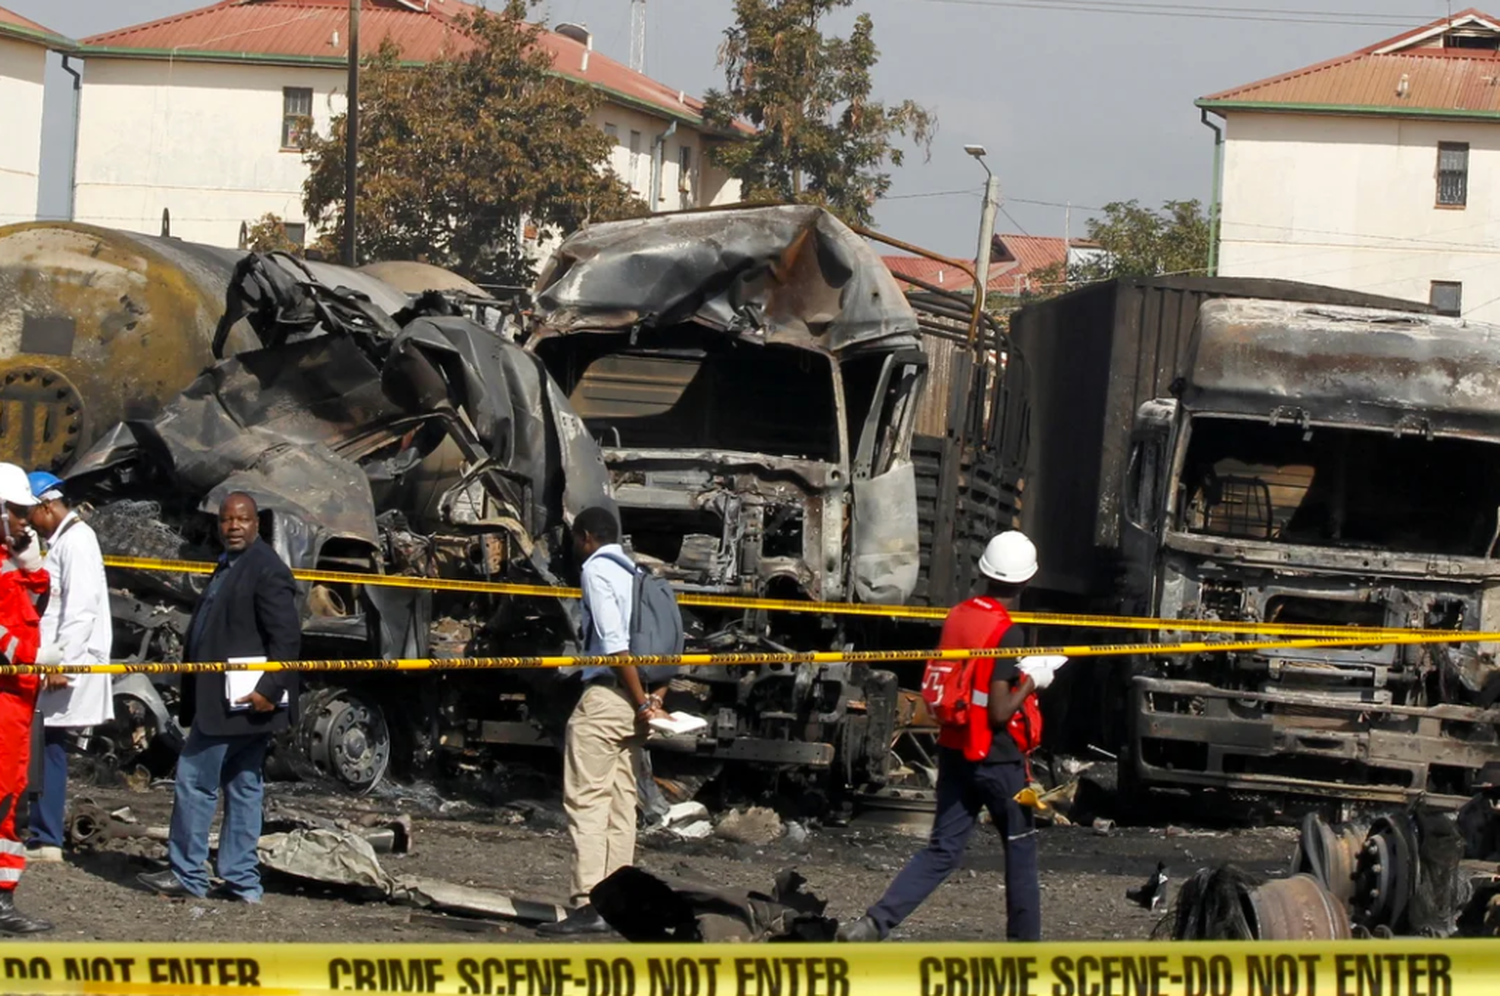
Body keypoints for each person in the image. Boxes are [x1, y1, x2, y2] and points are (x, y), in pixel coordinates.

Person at [837, 531, 1057, 943]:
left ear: (985, 572)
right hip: (999, 761)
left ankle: (873, 925)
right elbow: (998, 713)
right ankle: (1026, 954)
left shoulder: (958, 615)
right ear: (1027, 580)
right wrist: (1033, 681)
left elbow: (969, 679)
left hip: (955, 751)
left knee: (942, 850)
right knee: (1021, 851)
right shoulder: (1007, 633)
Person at [138, 492, 300, 903]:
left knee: (195, 780)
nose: (233, 527)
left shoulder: (266, 570)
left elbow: (287, 637)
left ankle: (189, 876)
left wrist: (268, 688)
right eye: (226, 520)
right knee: (244, 784)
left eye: (241, 520)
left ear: (256, 524)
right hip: (233, 701)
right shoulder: (232, 564)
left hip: (242, 701)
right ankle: (242, 881)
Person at [538, 506, 668, 937]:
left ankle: (590, 904)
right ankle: (621, 903)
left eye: (577, 540)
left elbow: (614, 645)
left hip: (608, 700)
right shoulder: (639, 574)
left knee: (587, 802)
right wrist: (651, 701)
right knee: (620, 804)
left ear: (588, 537)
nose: (576, 549)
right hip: (636, 705)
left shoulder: (596, 570)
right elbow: (664, 645)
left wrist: (638, 699)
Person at [24, 471, 113, 864]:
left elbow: (79, 611)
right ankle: (40, 830)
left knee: (48, 746)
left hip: (64, 666)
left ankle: (45, 836)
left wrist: (65, 664)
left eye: (30, 513)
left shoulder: (77, 542)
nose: (27, 521)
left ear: (47, 505)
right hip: (53, 660)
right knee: (42, 745)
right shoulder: (62, 541)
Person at [0, 463, 52, 933]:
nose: (25, 521)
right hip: (4, 701)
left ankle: (3, 899)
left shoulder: (5, 556)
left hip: (15, 702)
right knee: (3, 802)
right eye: (17, 512)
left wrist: (31, 567)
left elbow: (32, 605)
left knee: (11, 799)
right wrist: (35, 655)